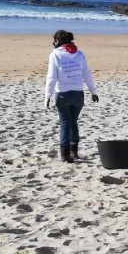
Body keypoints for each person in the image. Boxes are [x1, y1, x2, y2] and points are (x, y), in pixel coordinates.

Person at [44, 30, 98, 162]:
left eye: (54, 41)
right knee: (73, 122)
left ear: (58, 41)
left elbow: (51, 78)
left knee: (64, 124)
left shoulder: (55, 55)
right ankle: (74, 152)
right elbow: (87, 74)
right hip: (78, 94)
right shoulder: (79, 54)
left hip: (62, 94)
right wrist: (93, 92)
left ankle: (65, 155)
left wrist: (47, 96)